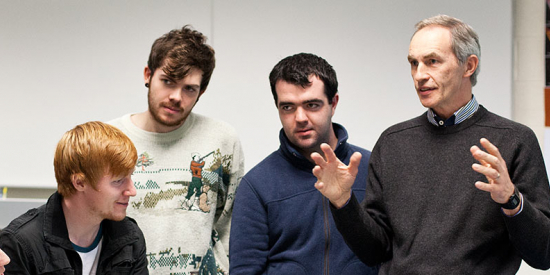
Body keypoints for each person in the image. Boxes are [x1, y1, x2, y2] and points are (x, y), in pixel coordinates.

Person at [311, 14, 550, 274]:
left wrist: (511, 199)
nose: (419, 75)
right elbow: (374, 252)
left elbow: (543, 255)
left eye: (432, 61)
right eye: (414, 63)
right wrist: (343, 203)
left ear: (468, 66)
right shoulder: (393, 142)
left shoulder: (514, 140)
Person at [108, 25, 244, 274]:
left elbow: (229, 224)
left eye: (189, 88)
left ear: (201, 92)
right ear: (148, 75)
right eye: (168, 82)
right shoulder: (108, 138)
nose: (176, 97)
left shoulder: (222, 140)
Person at [230, 53, 379, 274]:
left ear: (333, 103)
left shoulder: (373, 169)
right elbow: (245, 270)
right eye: (288, 107)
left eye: (311, 105)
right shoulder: (257, 185)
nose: (300, 117)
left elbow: (396, 254)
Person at [0, 121, 147, 274]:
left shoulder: (130, 237)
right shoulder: (21, 244)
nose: (132, 190)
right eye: (118, 181)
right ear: (79, 182)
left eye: (131, 177)